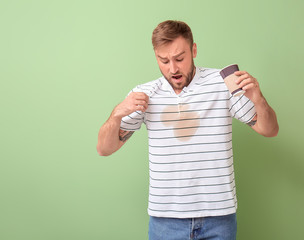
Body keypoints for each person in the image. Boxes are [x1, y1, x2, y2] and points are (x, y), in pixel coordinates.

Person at [97, 20, 278, 240]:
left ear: (193, 50)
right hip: (165, 221)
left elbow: (269, 129)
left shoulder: (223, 83)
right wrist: (117, 114)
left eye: (179, 58)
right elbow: (104, 149)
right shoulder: (145, 94)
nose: (172, 69)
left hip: (219, 218)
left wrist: (258, 99)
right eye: (163, 61)